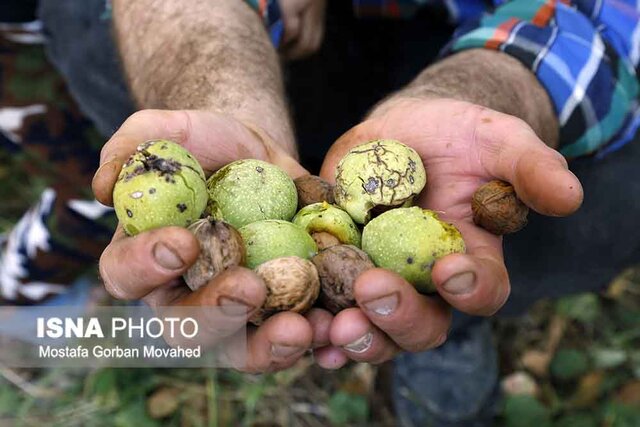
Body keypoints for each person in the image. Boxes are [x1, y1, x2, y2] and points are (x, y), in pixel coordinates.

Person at [2, 1, 640, 426]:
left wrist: (494, 86)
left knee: (603, 202)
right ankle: (54, 258)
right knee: (91, 23)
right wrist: (218, 89)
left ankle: (451, 314)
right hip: (284, 34)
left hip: (504, 25)